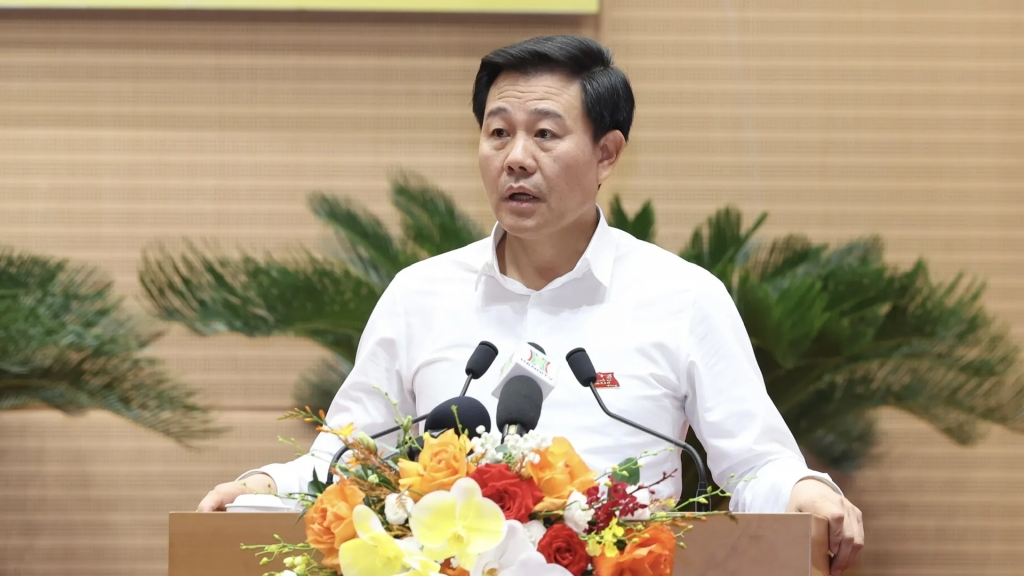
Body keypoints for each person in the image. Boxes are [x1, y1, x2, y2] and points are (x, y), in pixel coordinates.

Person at [198, 35, 864, 574]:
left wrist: (806, 490)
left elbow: (753, 463)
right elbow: (347, 458)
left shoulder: (683, 298)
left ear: (607, 154)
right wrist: (264, 485)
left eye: (545, 134)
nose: (516, 158)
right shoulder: (420, 295)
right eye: (498, 133)